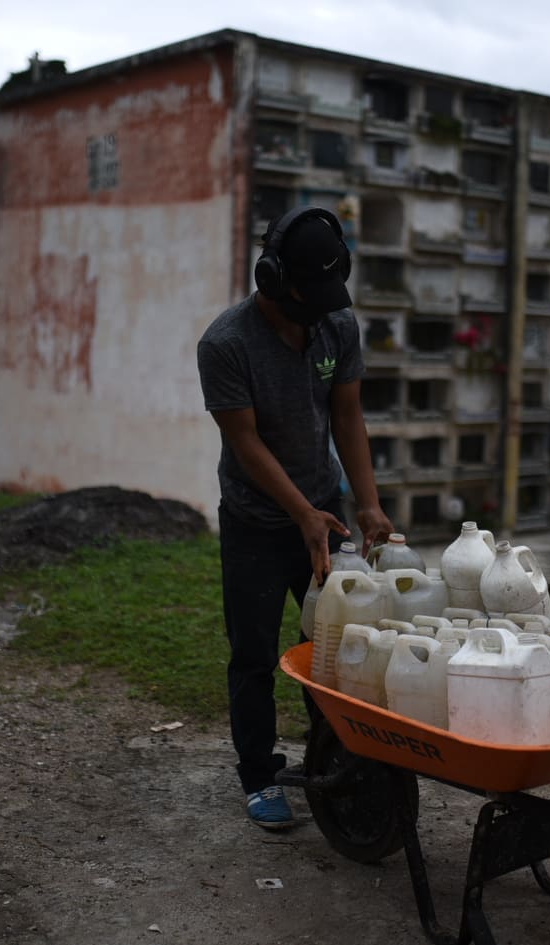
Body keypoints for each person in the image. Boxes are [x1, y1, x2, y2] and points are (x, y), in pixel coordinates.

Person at [196, 206, 394, 829]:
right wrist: (299, 512)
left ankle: (332, 763)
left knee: (334, 648)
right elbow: (245, 442)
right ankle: (259, 777)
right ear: (274, 279)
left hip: (324, 515)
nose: (321, 314)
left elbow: (347, 416)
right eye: (309, 298)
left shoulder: (336, 324)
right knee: (254, 655)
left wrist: (365, 501)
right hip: (257, 520)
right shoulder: (225, 344)